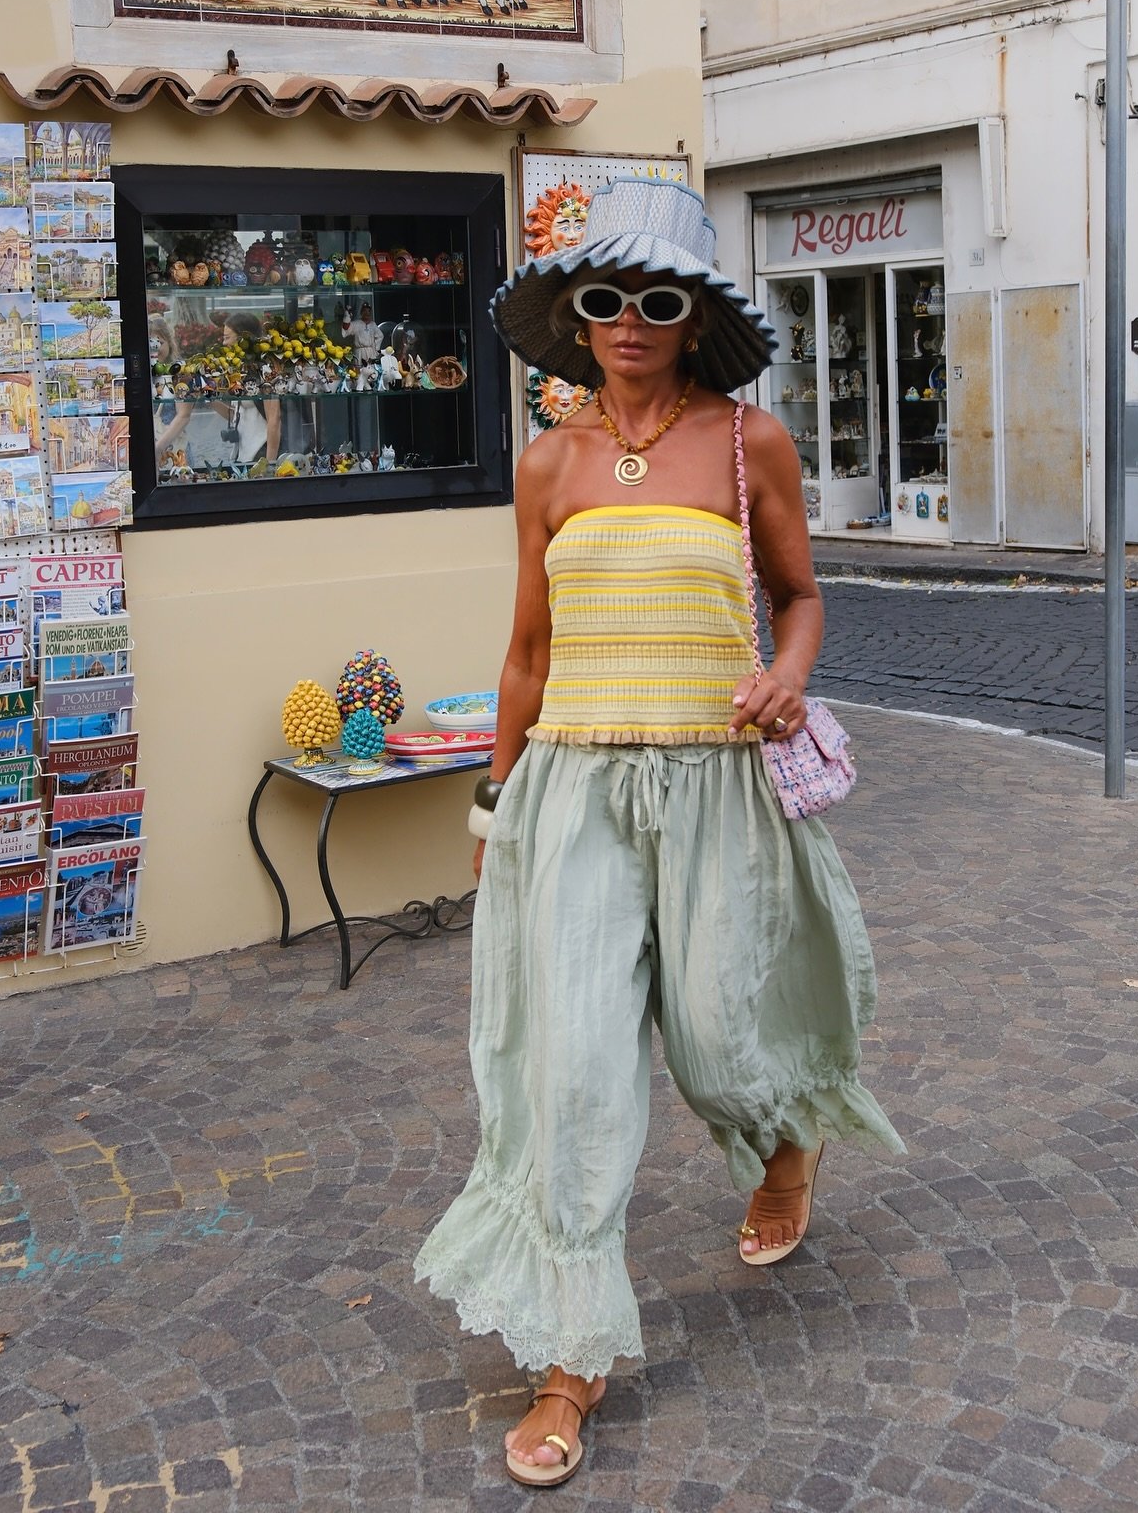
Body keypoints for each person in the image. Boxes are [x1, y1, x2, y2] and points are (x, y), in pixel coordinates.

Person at [414, 177, 903, 1490]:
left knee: (723, 1036)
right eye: (607, 298)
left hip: (716, 790)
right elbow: (525, 652)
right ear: (577, 318)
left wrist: (789, 669)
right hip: (573, 793)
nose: (630, 321)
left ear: (696, 319)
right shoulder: (549, 463)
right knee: (571, 1068)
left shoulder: (751, 446)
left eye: (659, 299)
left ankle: (785, 1147)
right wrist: (494, 802)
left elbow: (799, 597)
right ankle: (569, 1357)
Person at [153, 311, 280, 467]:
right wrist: (209, 398)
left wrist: (270, 466)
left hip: (261, 453)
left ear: (244, 338)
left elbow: (274, 420)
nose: (224, 343)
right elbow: (235, 416)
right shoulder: (238, 369)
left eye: (227, 337)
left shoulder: (264, 370)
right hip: (242, 455)